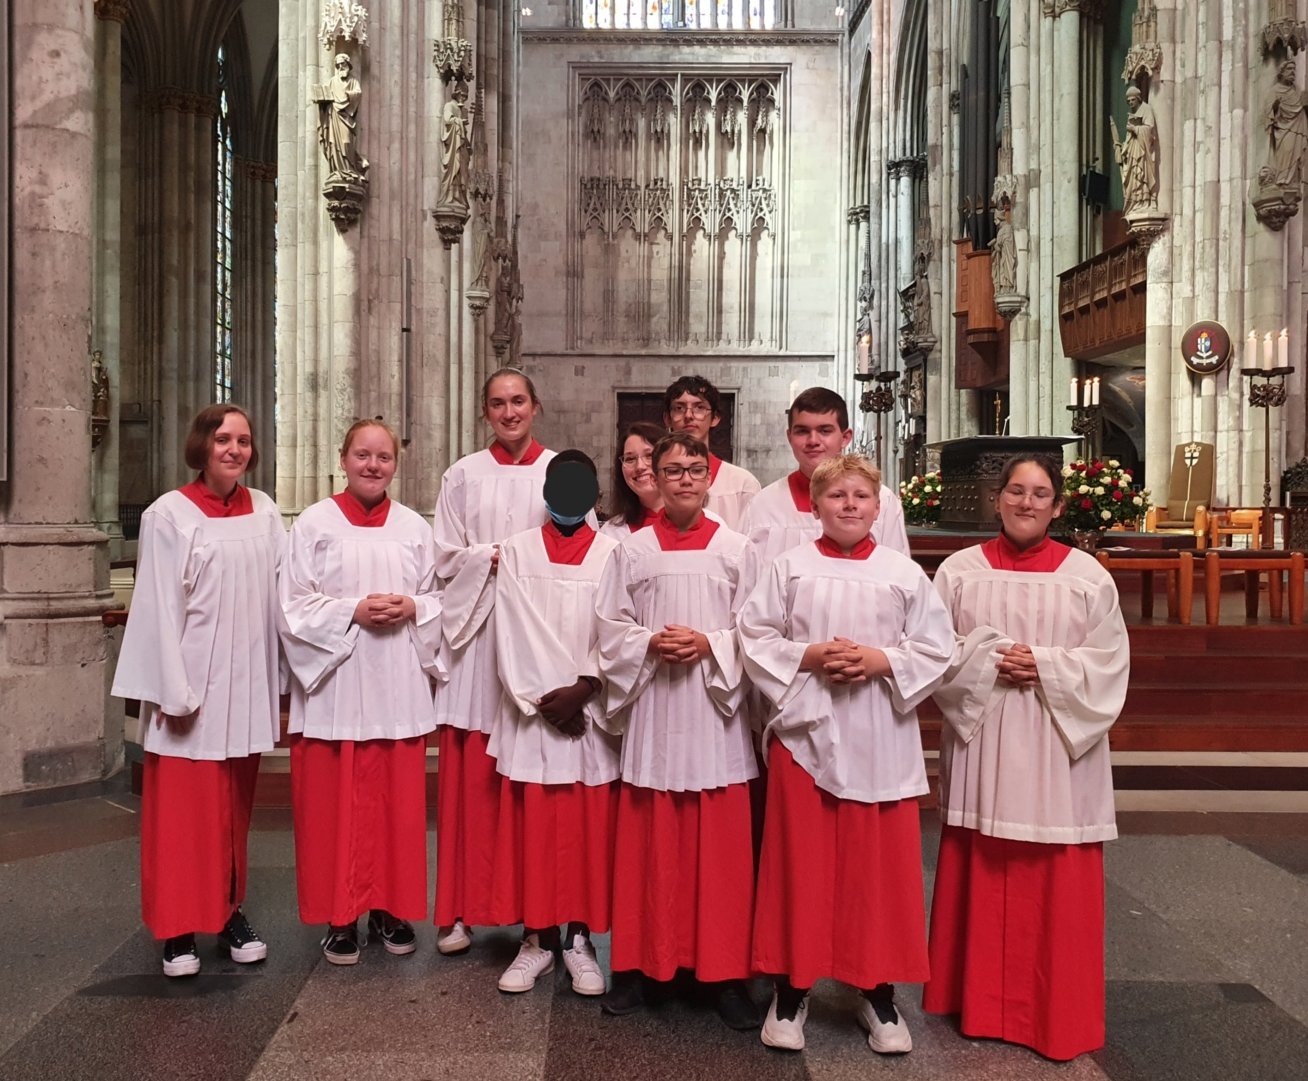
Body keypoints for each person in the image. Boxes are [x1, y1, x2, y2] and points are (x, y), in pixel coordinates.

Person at [738, 454, 954, 1053]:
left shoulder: (903, 573)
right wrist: (809, 656)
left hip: (879, 735)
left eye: (861, 497)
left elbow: (938, 648)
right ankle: (791, 987)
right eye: (837, 497)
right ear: (815, 505)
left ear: (879, 508)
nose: (850, 506)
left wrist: (880, 660)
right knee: (799, 863)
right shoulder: (788, 567)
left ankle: (877, 992)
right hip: (804, 737)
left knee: (876, 870)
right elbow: (753, 637)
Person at [923, 453, 1130, 1061]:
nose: (1026, 503)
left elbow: (1110, 663)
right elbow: (934, 651)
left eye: (1040, 494)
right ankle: (978, 1005)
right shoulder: (960, 571)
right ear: (997, 499)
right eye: (1016, 491)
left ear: (1059, 506)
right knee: (983, 862)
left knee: (1055, 872)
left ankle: (1053, 1011)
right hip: (985, 736)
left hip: (1056, 744)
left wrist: (1044, 664)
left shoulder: (1088, 575)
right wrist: (991, 659)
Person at [111, 404, 283, 977]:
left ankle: (228, 910)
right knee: (183, 814)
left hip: (247, 686)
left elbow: (281, 598)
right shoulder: (169, 515)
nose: (235, 450)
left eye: (244, 441)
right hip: (191, 689)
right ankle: (178, 928)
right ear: (202, 445)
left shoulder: (264, 510)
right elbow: (158, 608)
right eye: (224, 439)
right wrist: (174, 691)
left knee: (232, 810)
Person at [596, 432, 761, 1030]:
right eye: (672, 470)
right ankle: (641, 968)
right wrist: (648, 644)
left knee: (719, 855)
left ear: (708, 477)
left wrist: (709, 643)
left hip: (715, 717)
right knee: (651, 847)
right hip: (657, 715)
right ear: (656, 480)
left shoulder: (740, 550)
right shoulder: (631, 550)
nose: (685, 478)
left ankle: (723, 975)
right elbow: (609, 629)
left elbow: (760, 633)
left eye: (695, 468)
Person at [280, 419, 444, 965]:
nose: (372, 466)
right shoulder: (313, 524)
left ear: (396, 464)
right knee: (337, 804)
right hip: (338, 686)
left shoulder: (413, 528)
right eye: (362, 455)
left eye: (383, 457)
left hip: (396, 681)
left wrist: (413, 607)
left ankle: (390, 909)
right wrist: (351, 609)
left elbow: (439, 597)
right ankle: (340, 915)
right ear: (343, 458)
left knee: (394, 804)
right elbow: (292, 605)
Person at [483, 451, 621, 996]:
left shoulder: (615, 554)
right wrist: (547, 701)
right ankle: (536, 940)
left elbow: (618, 630)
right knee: (536, 830)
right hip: (538, 714)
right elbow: (512, 630)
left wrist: (585, 688)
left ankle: (579, 940)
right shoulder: (516, 550)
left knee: (587, 830)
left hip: (590, 713)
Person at [432, 368, 555, 955]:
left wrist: (528, 567)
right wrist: (495, 558)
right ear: (485, 412)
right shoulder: (463, 474)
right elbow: (445, 559)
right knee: (469, 778)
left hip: (535, 637)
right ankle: (458, 910)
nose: (509, 413)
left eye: (518, 402)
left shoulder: (560, 471)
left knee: (530, 775)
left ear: (536, 406)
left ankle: (538, 914)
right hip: (478, 636)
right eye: (498, 404)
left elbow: (570, 551)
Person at [740, 387, 909, 565]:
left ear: (845, 437)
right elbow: (747, 579)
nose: (813, 441)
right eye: (802, 431)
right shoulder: (763, 504)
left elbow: (898, 573)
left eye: (825, 431)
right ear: (790, 437)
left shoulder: (881, 500)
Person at [663, 375, 760, 530]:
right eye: (679, 408)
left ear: (715, 418)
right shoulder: (658, 481)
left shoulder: (742, 484)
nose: (688, 416)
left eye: (699, 407)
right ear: (667, 418)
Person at [599, 420, 667, 538]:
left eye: (650, 456)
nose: (640, 466)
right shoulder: (611, 533)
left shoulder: (701, 523)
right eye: (630, 459)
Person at [316, 52, 368, 181]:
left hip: (346, 117)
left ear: (348, 65)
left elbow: (357, 94)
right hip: (333, 116)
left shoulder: (353, 81)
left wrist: (346, 96)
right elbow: (325, 94)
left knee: (346, 142)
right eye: (338, 65)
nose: (340, 68)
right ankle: (338, 171)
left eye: (342, 64)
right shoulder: (332, 81)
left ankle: (349, 170)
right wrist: (321, 99)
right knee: (334, 144)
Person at [1263, 59, 1308, 189]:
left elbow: (1299, 107)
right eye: (1289, 69)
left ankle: (1293, 181)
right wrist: (1275, 109)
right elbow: (1268, 112)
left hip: (1298, 127)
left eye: (1294, 69)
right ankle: (1282, 180)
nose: (1292, 72)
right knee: (1286, 152)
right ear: (1281, 72)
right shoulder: (1275, 90)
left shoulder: (1295, 91)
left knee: (1296, 156)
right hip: (1283, 129)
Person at [1115, 86, 1158, 214]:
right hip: (1134, 150)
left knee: (1142, 173)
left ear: (1138, 98)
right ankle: (1136, 202)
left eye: (1132, 100)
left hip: (1143, 151)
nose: (1130, 103)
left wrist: (1135, 129)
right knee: (1134, 175)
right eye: (1128, 101)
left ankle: (1146, 201)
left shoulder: (1147, 110)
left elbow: (1150, 130)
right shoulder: (1132, 114)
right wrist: (1122, 150)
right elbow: (1129, 139)